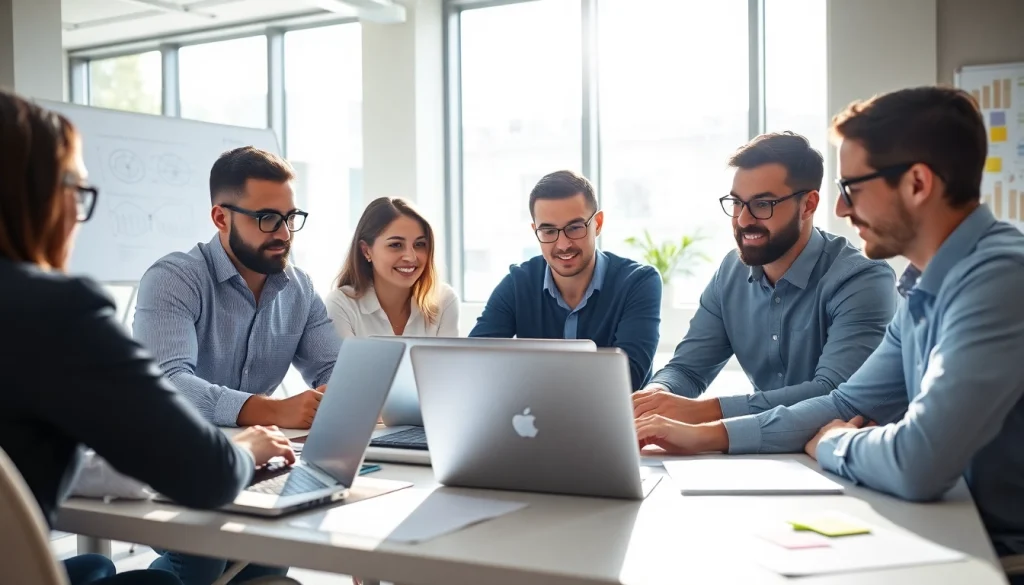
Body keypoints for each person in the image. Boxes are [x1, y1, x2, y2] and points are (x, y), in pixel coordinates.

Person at [634, 86, 1024, 571]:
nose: (841, 210)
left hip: (999, 556)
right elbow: (846, 402)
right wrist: (707, 434)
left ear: (918, 184)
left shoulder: (1000, 278)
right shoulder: (925, 287)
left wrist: (832, 442)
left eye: (852, 188)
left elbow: (918, 459)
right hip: (946, 533)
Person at [0, 92, 294, 584]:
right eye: (74, 191)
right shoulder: (55, 312)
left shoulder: (295, 286)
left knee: (94, 566)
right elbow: (207, 474)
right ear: (37, 199)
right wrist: (246, 447)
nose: (75, 214)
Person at [133, 147, 340, 583]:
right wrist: (273, 410)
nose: (283, 232)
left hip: (261, 464)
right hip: (175, 463)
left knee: (269, 563)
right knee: (205, 559)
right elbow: (167, 385)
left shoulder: (299, 288)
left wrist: (342, 396)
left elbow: (334, 369)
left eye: (290, 217)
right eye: (266, 218)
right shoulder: (174, 278)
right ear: (220, 218)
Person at [633, 132, 897, 424]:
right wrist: (656, 396)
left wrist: (703, 412)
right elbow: (687, 370)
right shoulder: (731, 273)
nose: (744, 220)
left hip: (845, 452)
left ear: (808, 205)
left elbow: (833, 392)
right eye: (736, 203)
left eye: (763, 204)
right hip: (769, 454)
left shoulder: (862, 280)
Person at [469, 170, 662, 390]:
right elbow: (474, 364)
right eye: (549, 231)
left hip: (612, 421)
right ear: (535, 231)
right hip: (533, 420)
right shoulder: (517, 284)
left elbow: (629, 377)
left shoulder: (638, 282)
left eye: (574, 228)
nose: (563, 244)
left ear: (597, 223)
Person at [325, 197, 459, 338]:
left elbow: (448, 360)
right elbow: (346, 361)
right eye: (395, 245)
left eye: (419, 244)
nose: (411, 257)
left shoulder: (445, 300)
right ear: (366, 251)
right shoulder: (341, 305)